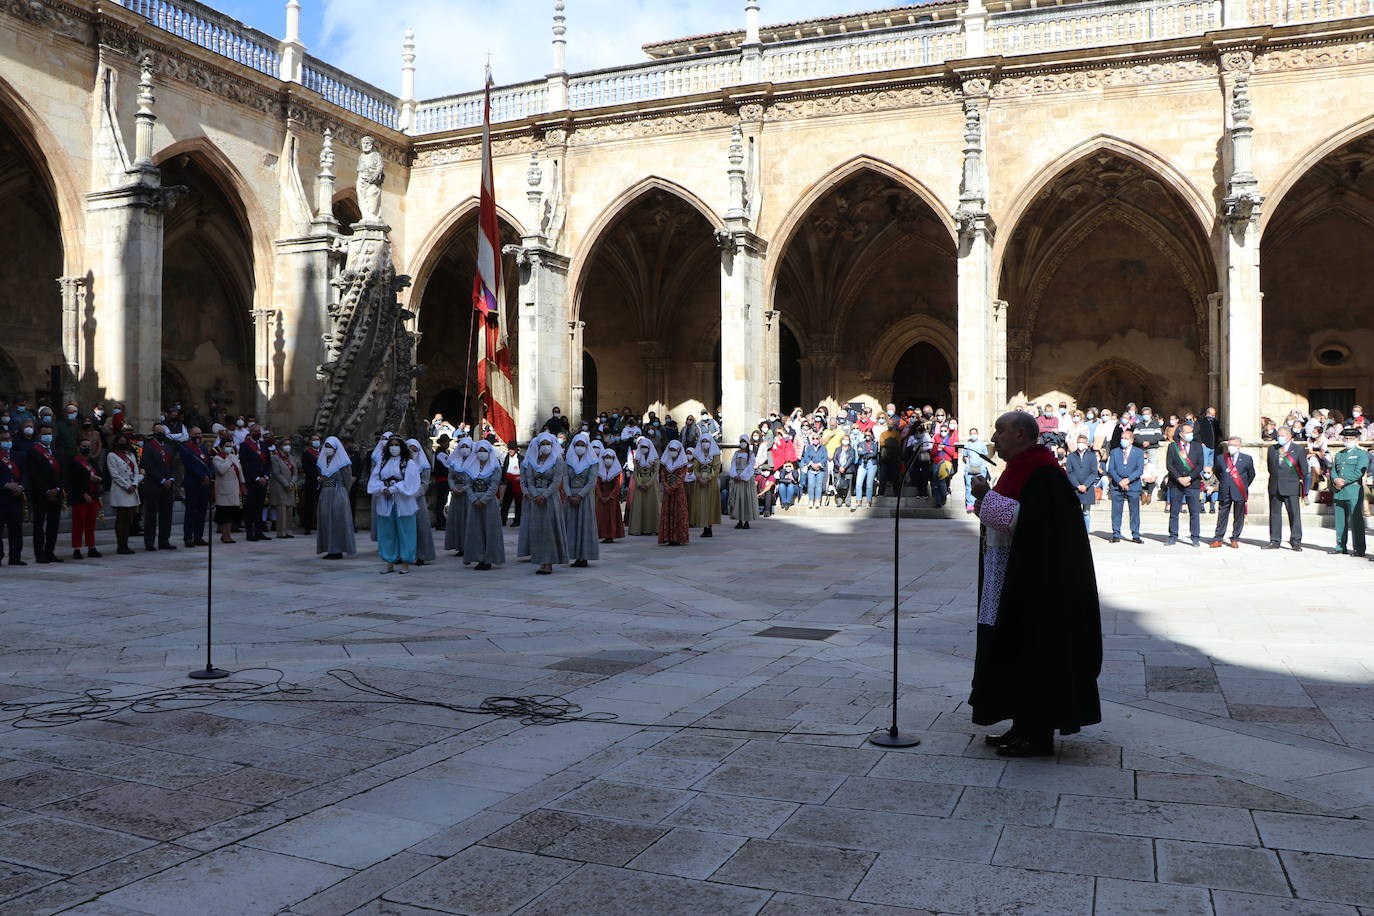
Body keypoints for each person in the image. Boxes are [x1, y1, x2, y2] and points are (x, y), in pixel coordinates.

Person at [968, 411, 1102, 757]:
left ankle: (1037, 734)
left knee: (1034, 651)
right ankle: (1020, 725)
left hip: (1038, 586)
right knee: (1013, 649)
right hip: (1015, 578)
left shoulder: (1043, 473)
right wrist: (988, 500)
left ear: (1022, 435)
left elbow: (1033, 523)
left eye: (1000, 431)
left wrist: (987, 497)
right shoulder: (1019, 469)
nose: (994, 438)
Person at [368, 434, 421, 574]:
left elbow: (411, 482)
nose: (394, 447)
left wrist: (394, 489)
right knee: (387, 533)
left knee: (406, 532)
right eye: (391, 445)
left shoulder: (408, 463)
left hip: (403, 502)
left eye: (397, 445)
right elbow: (374, 479)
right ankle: (389, 561)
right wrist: (382, 488)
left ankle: (405, 562)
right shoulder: (382, 462)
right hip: (385, 502)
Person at [519, 432, 568, 574]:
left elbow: (556, 481)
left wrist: (544, 496)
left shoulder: (557, 460)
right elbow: (529, 480)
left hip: (550, 499)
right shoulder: (533, 461)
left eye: (548, 444)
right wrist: (535, 495)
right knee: (538, 530)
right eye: (543, 444)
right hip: (536, 499)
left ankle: (549, 561)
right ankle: (540, 560)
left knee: (549, 530)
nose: (545, 447)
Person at [1265, 425, 1308, 551]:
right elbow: (1270, 467)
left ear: (1289, 436)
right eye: (1278, 435)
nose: (1279, 438)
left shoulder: (1298, 449)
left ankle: (1295, 541)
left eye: (1282, 435)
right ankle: (1274, 540)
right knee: (1275, 514)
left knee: (1294, 514)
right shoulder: (1272, 449)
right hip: (1275, 486)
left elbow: (1304, 470)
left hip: (1291, 486)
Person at [463, 440, 504, 570]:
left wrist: (484, 500)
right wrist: (474, 499)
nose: (482, 453)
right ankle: (478, 557)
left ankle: (489, 558)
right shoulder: (470, 467)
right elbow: (467, 485)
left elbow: (494, 486)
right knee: (475, 530)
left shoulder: (494, 467)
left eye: (484, 451)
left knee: (489, 530)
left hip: (489, 502)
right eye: (480, 451)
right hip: (474, 502)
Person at [1164, 421, 1205, 547]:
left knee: (1194, 512)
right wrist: (1178, 478)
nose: (1190, 435)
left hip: (1192, 483)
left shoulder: (1197, 446)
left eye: (1191, 432)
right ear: (1181, 434)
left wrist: (1189, 477)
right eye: (1187, 432)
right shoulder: (1172, 447)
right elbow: (1169, 465)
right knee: (1174, 511)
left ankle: (1195, 537)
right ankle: (1173, 536)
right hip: (1176, 483)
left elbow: (1200, 465)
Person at [1209, 437, 1254, 549]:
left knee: (1239, 516)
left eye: (1233, 445)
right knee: (1222, 516)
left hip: (1239, 490)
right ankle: (1218, 538)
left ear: (1239, 446)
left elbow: (1251, 475)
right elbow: (1218, 472)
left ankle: (1235, 538)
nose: (1231, 447)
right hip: (1225, 490)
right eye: (1229, 445)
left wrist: (1243, 485)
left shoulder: (1247, 459)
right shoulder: (1221, 458)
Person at [315, 436, 356, 559]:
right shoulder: (322, 461)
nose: (328, 449)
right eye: (326, 447)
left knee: (337, 520)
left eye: (330, 447)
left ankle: (338, 549)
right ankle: (329, 548)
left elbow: (348, 480)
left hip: (338, 492)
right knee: (326, 520)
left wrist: (343, 494)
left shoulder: (342, 462)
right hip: (325, 493)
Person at [562, 432, 599, 568]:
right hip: (570, 497)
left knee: (584, 526)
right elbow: (565, 478)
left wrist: (580, 495)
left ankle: (584, 557)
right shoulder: (568, 461)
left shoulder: (592, 461)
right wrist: (569, 494)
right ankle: (574, 556)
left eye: (582, 445)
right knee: (572, 526)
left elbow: (592, 481)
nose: (579, 447)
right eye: (577, 445)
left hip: (585, 497)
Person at [1330, 429, 1369, 557]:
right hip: (1339, 491)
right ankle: (1340, 546)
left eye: (1351, 439)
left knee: (1356, 520)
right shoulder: (1340, 454)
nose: (1347, 441)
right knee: (1340, 521)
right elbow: (1333, 470)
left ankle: (1359, 548)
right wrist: (1335, 479)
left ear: (1357, 440)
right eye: (1345, 439)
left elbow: (1359, 472)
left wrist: (1344, 481)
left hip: (1353, 490)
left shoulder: (1362, 454)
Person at [138, 425, 177, 551]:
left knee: (166, 515)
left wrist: (171, 479)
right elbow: (148, 467)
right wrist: (161, 480)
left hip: (168, 486)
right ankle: (149, 542)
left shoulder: (169, 447)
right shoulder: (148, 447)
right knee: (151, 515)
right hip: (154, 485)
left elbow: (173, 465)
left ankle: (164, 540)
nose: (161, 434)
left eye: (163, 432)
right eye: (159, 432)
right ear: (154, 433)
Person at [64, 439, 103, 559]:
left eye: (88, 446)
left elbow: (100, 475)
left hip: (94, 496)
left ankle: (91, 546)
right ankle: (77, 548)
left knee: (91, 523)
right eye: (84, 446)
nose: (86, 448)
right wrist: (83, 493)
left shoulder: (92, 461)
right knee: (78, 523)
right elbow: (73, 481)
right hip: (80, 498)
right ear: (78, 448)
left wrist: (98, 479)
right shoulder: (74, 462)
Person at [1107, 429, 1144, 544]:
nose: (1123, 440)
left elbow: (1139, 469)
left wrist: (1128, 480)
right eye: (1122, 438)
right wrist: (1119, 481)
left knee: (1134, 512)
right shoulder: (1114, 452)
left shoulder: (1138, 452)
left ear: (1132, 440)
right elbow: (1111, 469)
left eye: (1126, 439)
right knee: (1116, 511)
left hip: (1133, 486)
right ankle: (1116, 534)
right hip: (1117, 486)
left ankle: (1135, 534)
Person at [179, 429, 213, 548]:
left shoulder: (203, 448)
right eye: (195, 434)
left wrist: (209, 475)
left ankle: (199, 536)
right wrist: (202, 476)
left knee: (202, 511)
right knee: (191, 511)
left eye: (199, 434)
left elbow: (209, 463)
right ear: (190, 435)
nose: (198, 436)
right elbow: (189, 465)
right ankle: (188, 537)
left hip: (205, 483)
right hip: (193, 482)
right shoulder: (185, 448)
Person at [404, 439, 436, 565]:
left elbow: (425, 483)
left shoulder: (424, 465)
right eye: (410, 449)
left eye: (415, 450)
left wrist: (414, 494)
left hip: (418, 499)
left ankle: (422, 554)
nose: (412, 452)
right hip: (404, 498)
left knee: (421, 526)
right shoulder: (403, 464)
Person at [239, 424, 270, 541]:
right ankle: (250, 533)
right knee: (250, 508)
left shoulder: (263, 445)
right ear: (250, 432)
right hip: (251, 481)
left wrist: (266, 476)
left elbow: (268, 463)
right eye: (255, 431)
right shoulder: (245, 446)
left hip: (263, 481)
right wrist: (257, 478)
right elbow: (245, 464)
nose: (257, 432)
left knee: (259, 507)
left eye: (259, 431)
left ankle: (258, 531)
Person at [211, 440, 245, 544]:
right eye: (226, 446)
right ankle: (224, 535)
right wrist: (229, 459)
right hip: (223, 490)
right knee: (224, 515)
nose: (229, 448)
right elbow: (222, 470)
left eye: (230, 446)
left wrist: (243, 483)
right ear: (221, 447)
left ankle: (229, 535)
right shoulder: (217, 458)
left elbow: (239, 470)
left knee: (231, 514)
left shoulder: (234, 457)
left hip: (234, 489)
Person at [626, 437, 660, 536]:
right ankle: (638, 528)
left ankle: (652, 528)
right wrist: (639, 483)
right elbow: (635, 472)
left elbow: (655, 472)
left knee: (651, 506)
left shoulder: (655, 459)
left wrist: (648, 484)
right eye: (642, 447)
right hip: (640, 484)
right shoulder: (638, 458)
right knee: (639, 507)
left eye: (645, 447)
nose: (643, 449)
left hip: (651, 485)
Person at [658, 439, 690, 546]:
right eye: (671, 450)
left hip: (678, 491)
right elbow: (662, 475)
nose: (672, 452)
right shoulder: (664, 463)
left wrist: (672, 487)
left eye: (674, 450)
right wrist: (667, 486)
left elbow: (681, 477)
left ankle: (678, 537)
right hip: (668, 492)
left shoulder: (682, 463)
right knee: (667, 512)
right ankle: (668, 537)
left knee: (679, 513)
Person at [688, 435, 721, 537]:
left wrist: (708, 478)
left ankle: (709, 526)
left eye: (707, 441)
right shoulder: (698, 455)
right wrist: (699, 478)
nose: (705, 443)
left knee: (710, 503)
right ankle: (703, 526)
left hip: (711, 482)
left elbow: (716, 469)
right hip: (700, 481)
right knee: (701, 503)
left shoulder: (715, 454)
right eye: (703, 441)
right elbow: (695, 468)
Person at [445, 437, 473, 556]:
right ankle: (459, 545)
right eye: (463, 447)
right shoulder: (454, 461)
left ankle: (469, 545)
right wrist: (453, 487)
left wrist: (464, 489)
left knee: (468, 519)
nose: (464, 449)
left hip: (468, 495)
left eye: (467, 447)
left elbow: (474, 478)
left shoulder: (474, 462)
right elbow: (450, 476)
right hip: (456, 494)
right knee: (457, 520)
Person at [0, 430, 24, 565]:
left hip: (16, 498)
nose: (7, 441)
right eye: (4, 439)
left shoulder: (18, 456)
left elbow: (25, 474)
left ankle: (15, 557)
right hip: (2, 498)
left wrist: (21, 487)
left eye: (9, 439)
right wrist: (4, 485)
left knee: (16, 529)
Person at [1064, 434, 1098, 531]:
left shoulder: (1092, 456)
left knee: (1086, 512)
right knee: (1074, 512)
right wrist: (1078, 485)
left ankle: (1086, 533)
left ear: (1087, 444)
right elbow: (1069, 472)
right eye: (1079, 442)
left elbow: (1094, 472)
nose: (1080, 444)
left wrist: (1085, 485)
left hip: (1088, 488)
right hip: (1075, 488)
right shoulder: (1071, 456)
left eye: (1082, 443)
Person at [270, 440, 299, 539]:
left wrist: (292, 483)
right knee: (282, 509)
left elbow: (295, 473)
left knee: (290, 509)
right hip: (280, 486)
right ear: (280, 446)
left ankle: (288, 530)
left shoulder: (292, 458)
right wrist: (286, 483)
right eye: (285, 444)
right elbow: (276, 473)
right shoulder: (275, 458)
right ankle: (281, 532)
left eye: (289, 444)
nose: (288, 446)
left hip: (290, 486)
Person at [594, 448, 625, 543]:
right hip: (602, 497)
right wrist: (600, 495)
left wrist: (610, 496)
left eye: (610, 457)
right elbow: (597, 484)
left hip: (612, 499)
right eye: (606, 457)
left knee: (611, 516)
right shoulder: (599, 470)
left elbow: (617, 485)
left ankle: (611, 535)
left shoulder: (617, 471)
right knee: (601, 517)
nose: (608, 459)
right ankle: (602, 535)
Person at [728, 435, 758, 528]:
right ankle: (739, 520)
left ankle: (747, 521)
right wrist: (734, 475)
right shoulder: (736, 453)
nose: (742, 443)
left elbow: (750, 466)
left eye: (744, 441)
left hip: (746, 478)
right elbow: (732, 464)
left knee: (746, 499)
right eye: (741, 441)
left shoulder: (751, 454)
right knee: (738, 499)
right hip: (736, 477)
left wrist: (743, 476)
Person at [301, 435, 322, 535]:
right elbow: (306, 468)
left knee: (322, 505)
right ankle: (307, 527)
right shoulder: (307, 453)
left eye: (317, 440)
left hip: (323, 482)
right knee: (309, 505)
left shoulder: (324, 452)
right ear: (310, 441)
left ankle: (322, 525)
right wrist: (316, 477)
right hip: (311, 482)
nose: (316, 441)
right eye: (314, 440)